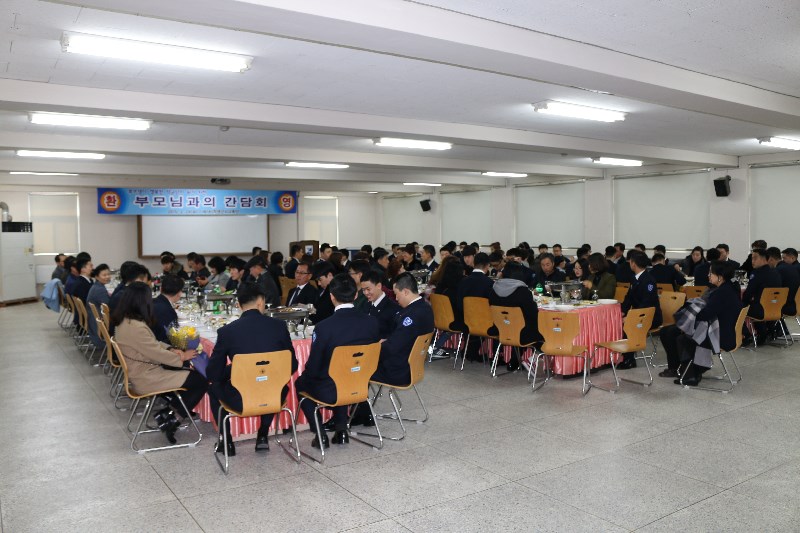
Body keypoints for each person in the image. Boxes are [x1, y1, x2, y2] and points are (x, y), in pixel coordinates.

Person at [207, 281, 297, 456]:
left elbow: (213, 373)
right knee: (271, 384)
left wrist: (233, 370)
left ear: (239, 305)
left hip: (240, 399)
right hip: (274, 396)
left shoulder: (227, 331)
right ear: (261, 302)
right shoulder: (279, 326)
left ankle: (227, 441)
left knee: (213, 387)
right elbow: (292, 365)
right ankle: (262, 435)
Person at [112, 282, 207, 444]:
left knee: (192, 376)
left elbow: (152, 345)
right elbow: (155, 353)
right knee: (199, 381)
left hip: (142, 370)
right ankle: (172, 419)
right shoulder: (136, 327)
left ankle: (168, 414)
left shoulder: (126, 321)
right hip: (146, 376)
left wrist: (171, 349)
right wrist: (182, 357)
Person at [295, 274, 380, 448]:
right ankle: (341, 430)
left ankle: (319, 433)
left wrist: (307, 376)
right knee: (342, 375)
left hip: (331, 391)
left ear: (331, 296)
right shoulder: (371, 322)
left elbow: (314, 366)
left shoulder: (324, 327)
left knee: (302, 383)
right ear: (355, 295)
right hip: (360, 387)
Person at [658, 261, 743, 385]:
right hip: (723, 329)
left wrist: (688, 320)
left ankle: (691, 374)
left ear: (720, 277)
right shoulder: (730, 287)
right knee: (667, 331)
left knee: (682, 338)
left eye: (711, 273)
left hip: (721, 335)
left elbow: (705, 315)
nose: (708, 275)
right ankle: (678, 369)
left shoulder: (722, 293)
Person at [372, 273, 435, 385]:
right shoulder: (425, 307)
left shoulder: (411, 316)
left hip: (397, 371)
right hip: (411, 366)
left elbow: (392, 347)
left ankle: (358, 396)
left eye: (396, 294)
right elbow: (402, 339)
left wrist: (372, 349)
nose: (396, 298)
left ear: (405, 291)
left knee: (357, 367)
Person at [487, 262, 542, 371]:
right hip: (521, 333)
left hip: (500, 329)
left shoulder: (493, 289)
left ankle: (503, 359)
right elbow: (532, 313)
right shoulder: (523, 291)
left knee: (518, 325)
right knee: (539, 329)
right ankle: (522, 361)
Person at [617, 251, 662, 369]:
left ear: (633, 263)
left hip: (650, 316)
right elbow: (629, 298)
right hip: (639, 314)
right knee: (618, 321)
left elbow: (646, 303)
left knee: (629, 324)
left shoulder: (649, 280)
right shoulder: (634, 278)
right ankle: (620, 354)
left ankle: (629, 359)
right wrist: (622, 311)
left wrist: (631, 317)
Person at [457, 252, 494, 361]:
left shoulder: (463, 281)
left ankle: (470, 350)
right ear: (487, 265)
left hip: (465, 321)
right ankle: (493, 355)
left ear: (474, 263)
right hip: (484, 323)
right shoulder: (489, 283)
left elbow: (459, 303)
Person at [742, 247, 782, 345]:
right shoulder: (775, 272)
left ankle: (746, 335)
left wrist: (742, 303)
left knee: (736, 307)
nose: (752, 261)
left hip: (760, 311)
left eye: (755, 258)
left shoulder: (756, 273)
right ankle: (768, 331)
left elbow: (748, 294)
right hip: (776, 309)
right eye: (752, 258)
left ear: (764, 259)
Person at [361, 270, 400, 338]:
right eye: (363, 290)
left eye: (368, 289)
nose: (366, 293)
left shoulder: (393, 308)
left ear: (379, 286)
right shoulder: (366, 305)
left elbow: (396, 334)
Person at [86, 263, 112, 346]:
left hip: (94, 322)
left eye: (108, 274)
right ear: (97, 277)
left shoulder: (96, 286)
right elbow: (109, 307)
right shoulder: (100, 289)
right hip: (99, 325)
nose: (107, 277)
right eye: (104, 275)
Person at [152, 275, 183, 344]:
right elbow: (171, 339)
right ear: (180, 293)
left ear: (161, 289)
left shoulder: (154, 301)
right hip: (159, 346)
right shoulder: (168, 311)